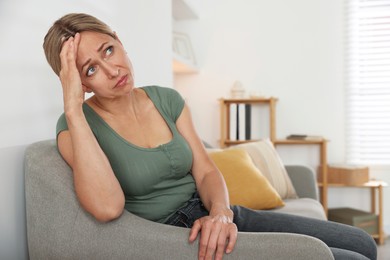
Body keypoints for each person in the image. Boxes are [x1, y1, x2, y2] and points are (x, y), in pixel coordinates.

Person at [43, 13, 377, 260]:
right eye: (90, 69)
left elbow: (204, 170)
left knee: (363, 243)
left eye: (108, 50)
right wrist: (73, 108)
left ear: (119, 41)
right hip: (178, 236)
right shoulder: (75, 127)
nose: (112, 70)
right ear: (80, 84)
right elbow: (107, 208)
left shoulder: (166, 99)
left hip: (217, 212)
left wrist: (221, 212)